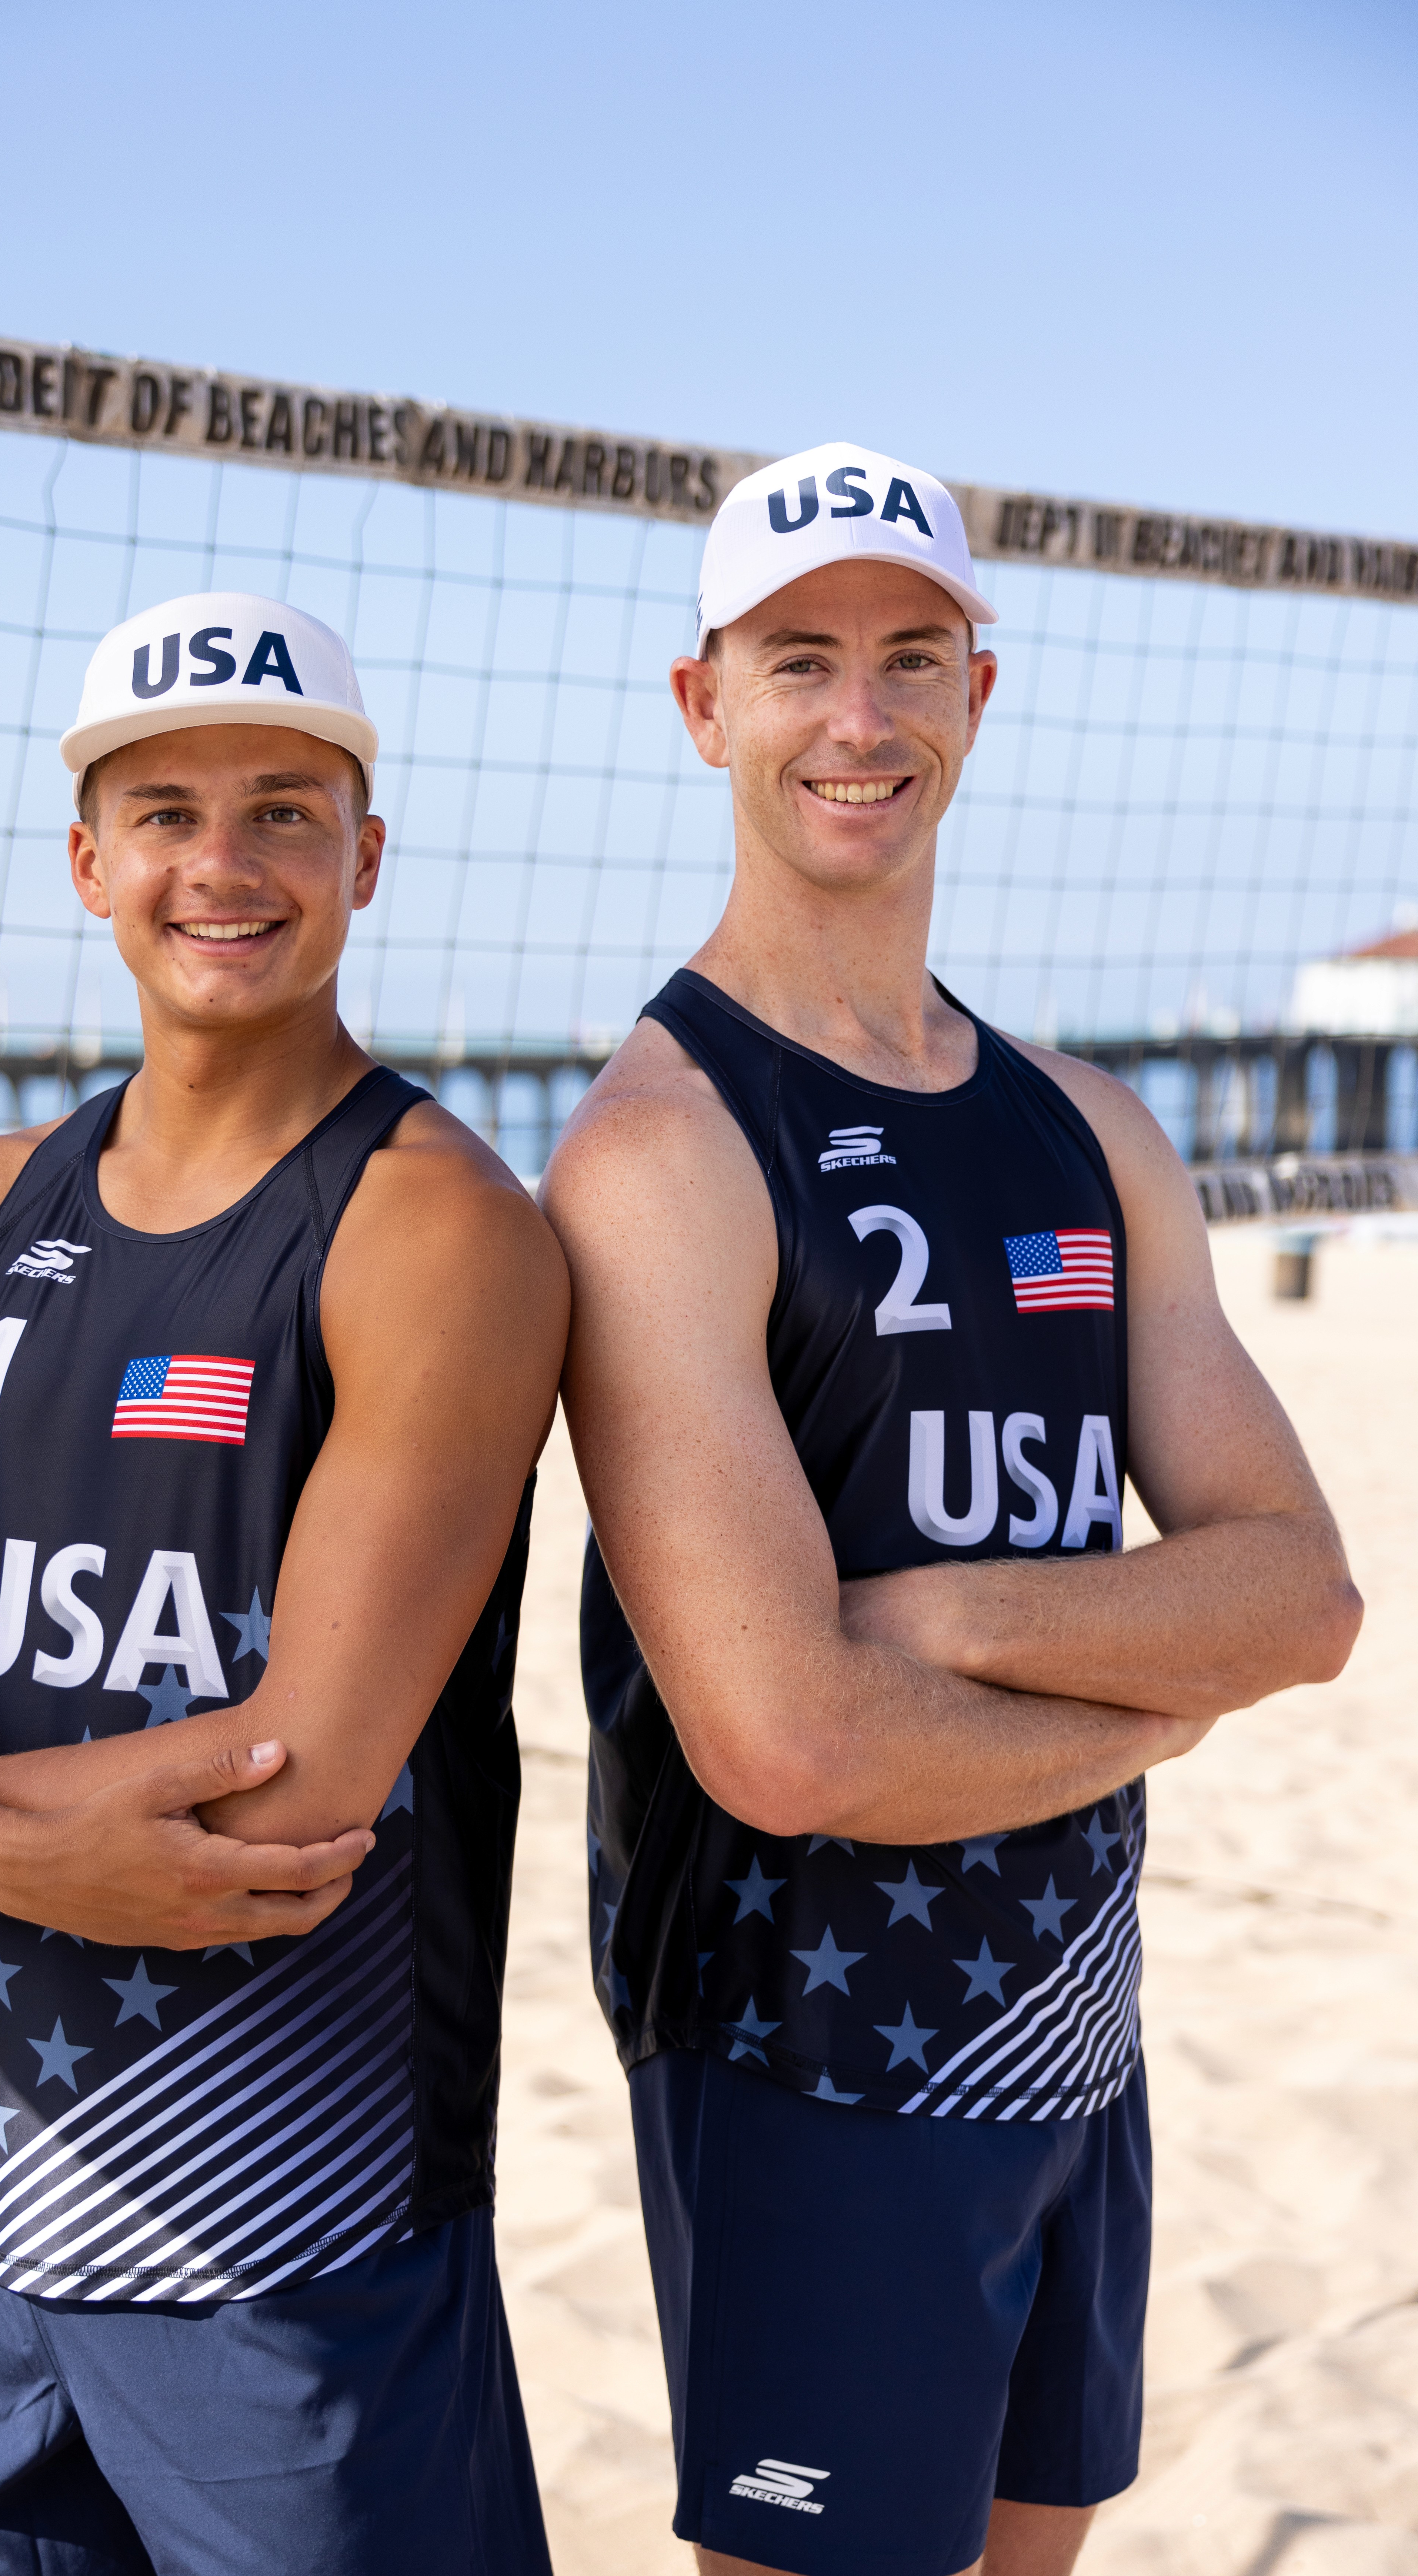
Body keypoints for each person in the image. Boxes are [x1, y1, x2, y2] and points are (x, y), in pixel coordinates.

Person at [542, 442, 1362, 2576]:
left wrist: (951, 1617)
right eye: (799, 660)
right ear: (702, 703)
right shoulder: (661, 1152)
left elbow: (1305, 1596)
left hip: (1073, 2015)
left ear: (978, 699)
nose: (861, 717)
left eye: (913, 660)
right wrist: (1147, 1707)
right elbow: (787, 1744)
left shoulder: (1089, 1130)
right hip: (806, 2048)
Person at [0, 590, 568, 2576]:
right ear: (89, 858)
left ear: (367, 854)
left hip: (291, 2226)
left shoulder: (438, 1231)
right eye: (165, 807)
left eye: (286, 807)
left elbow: (293, 1792)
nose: (225, 861)